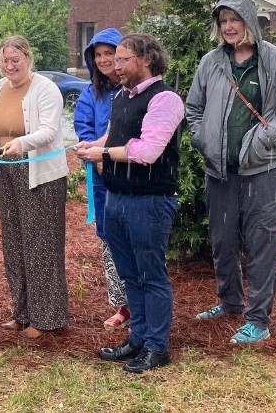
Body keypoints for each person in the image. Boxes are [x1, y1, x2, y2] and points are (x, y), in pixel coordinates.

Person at [185, 0, 276, 344]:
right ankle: (229, 301)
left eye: (234, 19)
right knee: (222, 240)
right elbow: (193, 108)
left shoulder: (274, 60)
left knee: (261, 244)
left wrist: (268, 136)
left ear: (249, 22)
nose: (228, 26)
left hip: (266, 169)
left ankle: (258, 319)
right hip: (220, 169)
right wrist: (202, 138)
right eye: (223, 20)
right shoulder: (211, 63)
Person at [74, 33, 184, 373]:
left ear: (146, 60)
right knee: (130, 276)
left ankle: (157, 347)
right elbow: (113, 137)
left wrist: (102, 153)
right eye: (114, 60)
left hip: (150, 202)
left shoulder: (165, 100)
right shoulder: (122, 96)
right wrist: (91, 146)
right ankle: (138, 338)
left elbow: (148, 151)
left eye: (122, 59)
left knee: (151, 276)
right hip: (118, 198)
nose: (115, 66)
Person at [0, 35, 70, 339]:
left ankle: (47, 319)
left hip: (40, 176)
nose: (9, 66)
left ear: (28, 58)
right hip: (8, 172)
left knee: (41, 245)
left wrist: (20, 143)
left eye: (15, 59)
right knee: (15, 243)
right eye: (4, 60)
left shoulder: (45, 88)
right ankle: (22, 313)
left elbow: (48, 131)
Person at [74, 27, 130, 330]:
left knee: (134, 237)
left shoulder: (132, 89)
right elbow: (83, 127)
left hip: (133, 171)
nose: (105, 60)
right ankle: (122, 305)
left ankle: (142, 302)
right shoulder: (90, 93)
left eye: (110, 53)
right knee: (110, 239)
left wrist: (107, 152)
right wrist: (93, 153)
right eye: (98, 55)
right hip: (100, 175)